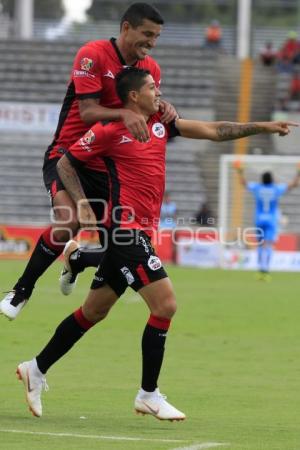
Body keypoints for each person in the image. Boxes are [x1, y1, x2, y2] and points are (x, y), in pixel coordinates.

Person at [16, 67, 298, 421]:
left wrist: (264, 126)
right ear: (134, 95)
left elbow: (214, 130)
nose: (158, 91)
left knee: (93, 311)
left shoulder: (164, 125)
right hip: (124, 229)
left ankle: (36, 368)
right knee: (165, 306)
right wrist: (83, 203)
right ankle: (148, 394)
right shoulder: (108, 130)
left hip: (140, 232)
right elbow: (66, 162)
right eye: (152, 87)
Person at [0, 2, 178, 321]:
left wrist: (166, 109)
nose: (151, 42)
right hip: (69, 156)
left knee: (126, 243)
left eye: (156, 36)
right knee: (69, 220)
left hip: (108, 168)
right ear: (126, 28)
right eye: (146, 34)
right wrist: (125, 113)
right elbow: (87, 112)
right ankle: (21, 289)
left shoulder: (152, 68)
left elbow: (150, 109)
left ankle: (79, 259)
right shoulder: (92, 54)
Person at [234, 161, 300, 280]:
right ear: (271, 179)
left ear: (262, 180)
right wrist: (298, 173)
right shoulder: (276, 189)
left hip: (259, 219)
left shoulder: (257, 188)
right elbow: (293, 185)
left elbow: (243, 183)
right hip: (271, 220)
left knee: (260, 244)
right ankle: (265, 270)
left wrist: (240, 171)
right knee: (268, 244)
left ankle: (260, 270)